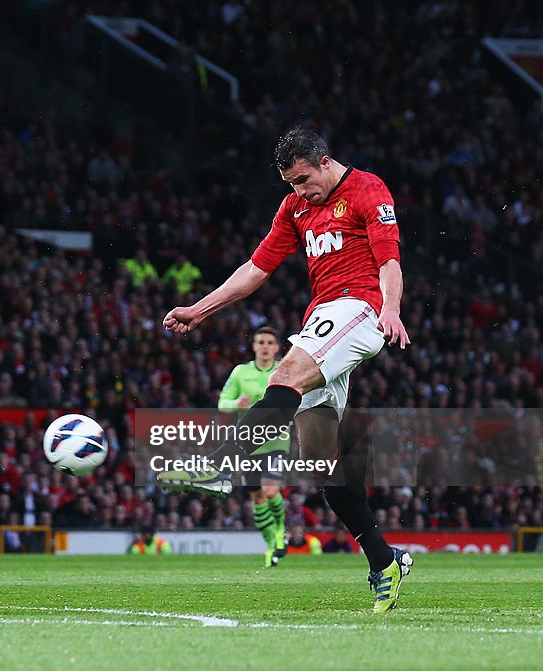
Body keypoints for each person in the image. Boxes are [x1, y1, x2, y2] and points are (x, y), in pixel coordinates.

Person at [159, 127, 413, 613]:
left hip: (361, 308)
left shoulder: (367, 189)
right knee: (321, 461)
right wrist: (200, 308)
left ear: (323, 161)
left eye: (303, 180)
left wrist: (392, 308)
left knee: (283, 377)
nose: (299, 192)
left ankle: (218, 463)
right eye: (290, 184)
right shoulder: (294, 208)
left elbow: (389, 258)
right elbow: (257, 268)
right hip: (323, 315)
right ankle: (385, 561)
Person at [218, 326, 289, 567]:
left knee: (270, 491)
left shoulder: (284, 368)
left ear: (277, 347)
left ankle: (280, 532)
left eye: (270, 342)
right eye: (261, 342)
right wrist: (236, 403)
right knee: (258, 498)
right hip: (248, 444)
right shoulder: (241, 372)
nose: (265, 346)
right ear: (254, 346)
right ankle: (271, 546)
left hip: (277, 441)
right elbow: (222, 404)